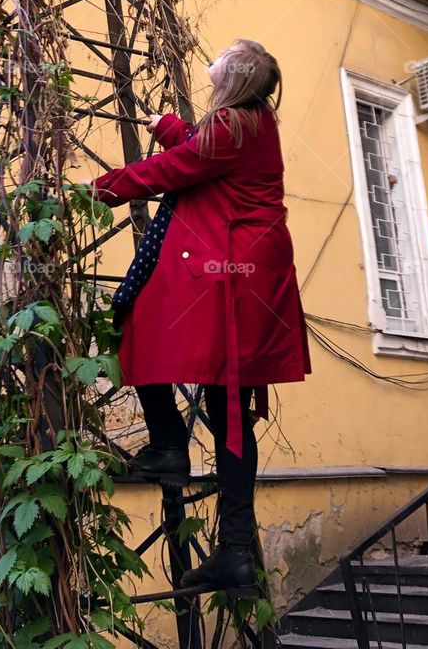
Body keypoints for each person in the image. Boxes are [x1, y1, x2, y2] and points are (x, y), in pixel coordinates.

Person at [84, 39, 311, 595]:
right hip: (248, 267)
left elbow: (178, 167)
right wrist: (172, 126)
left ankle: (169, 449)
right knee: (225, 398)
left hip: (233, 270)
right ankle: (233, 546)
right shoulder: (253, 121)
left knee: (141, 326)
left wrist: (96, 190)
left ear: (233, 77)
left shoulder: (232, 125)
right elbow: (199, 149)